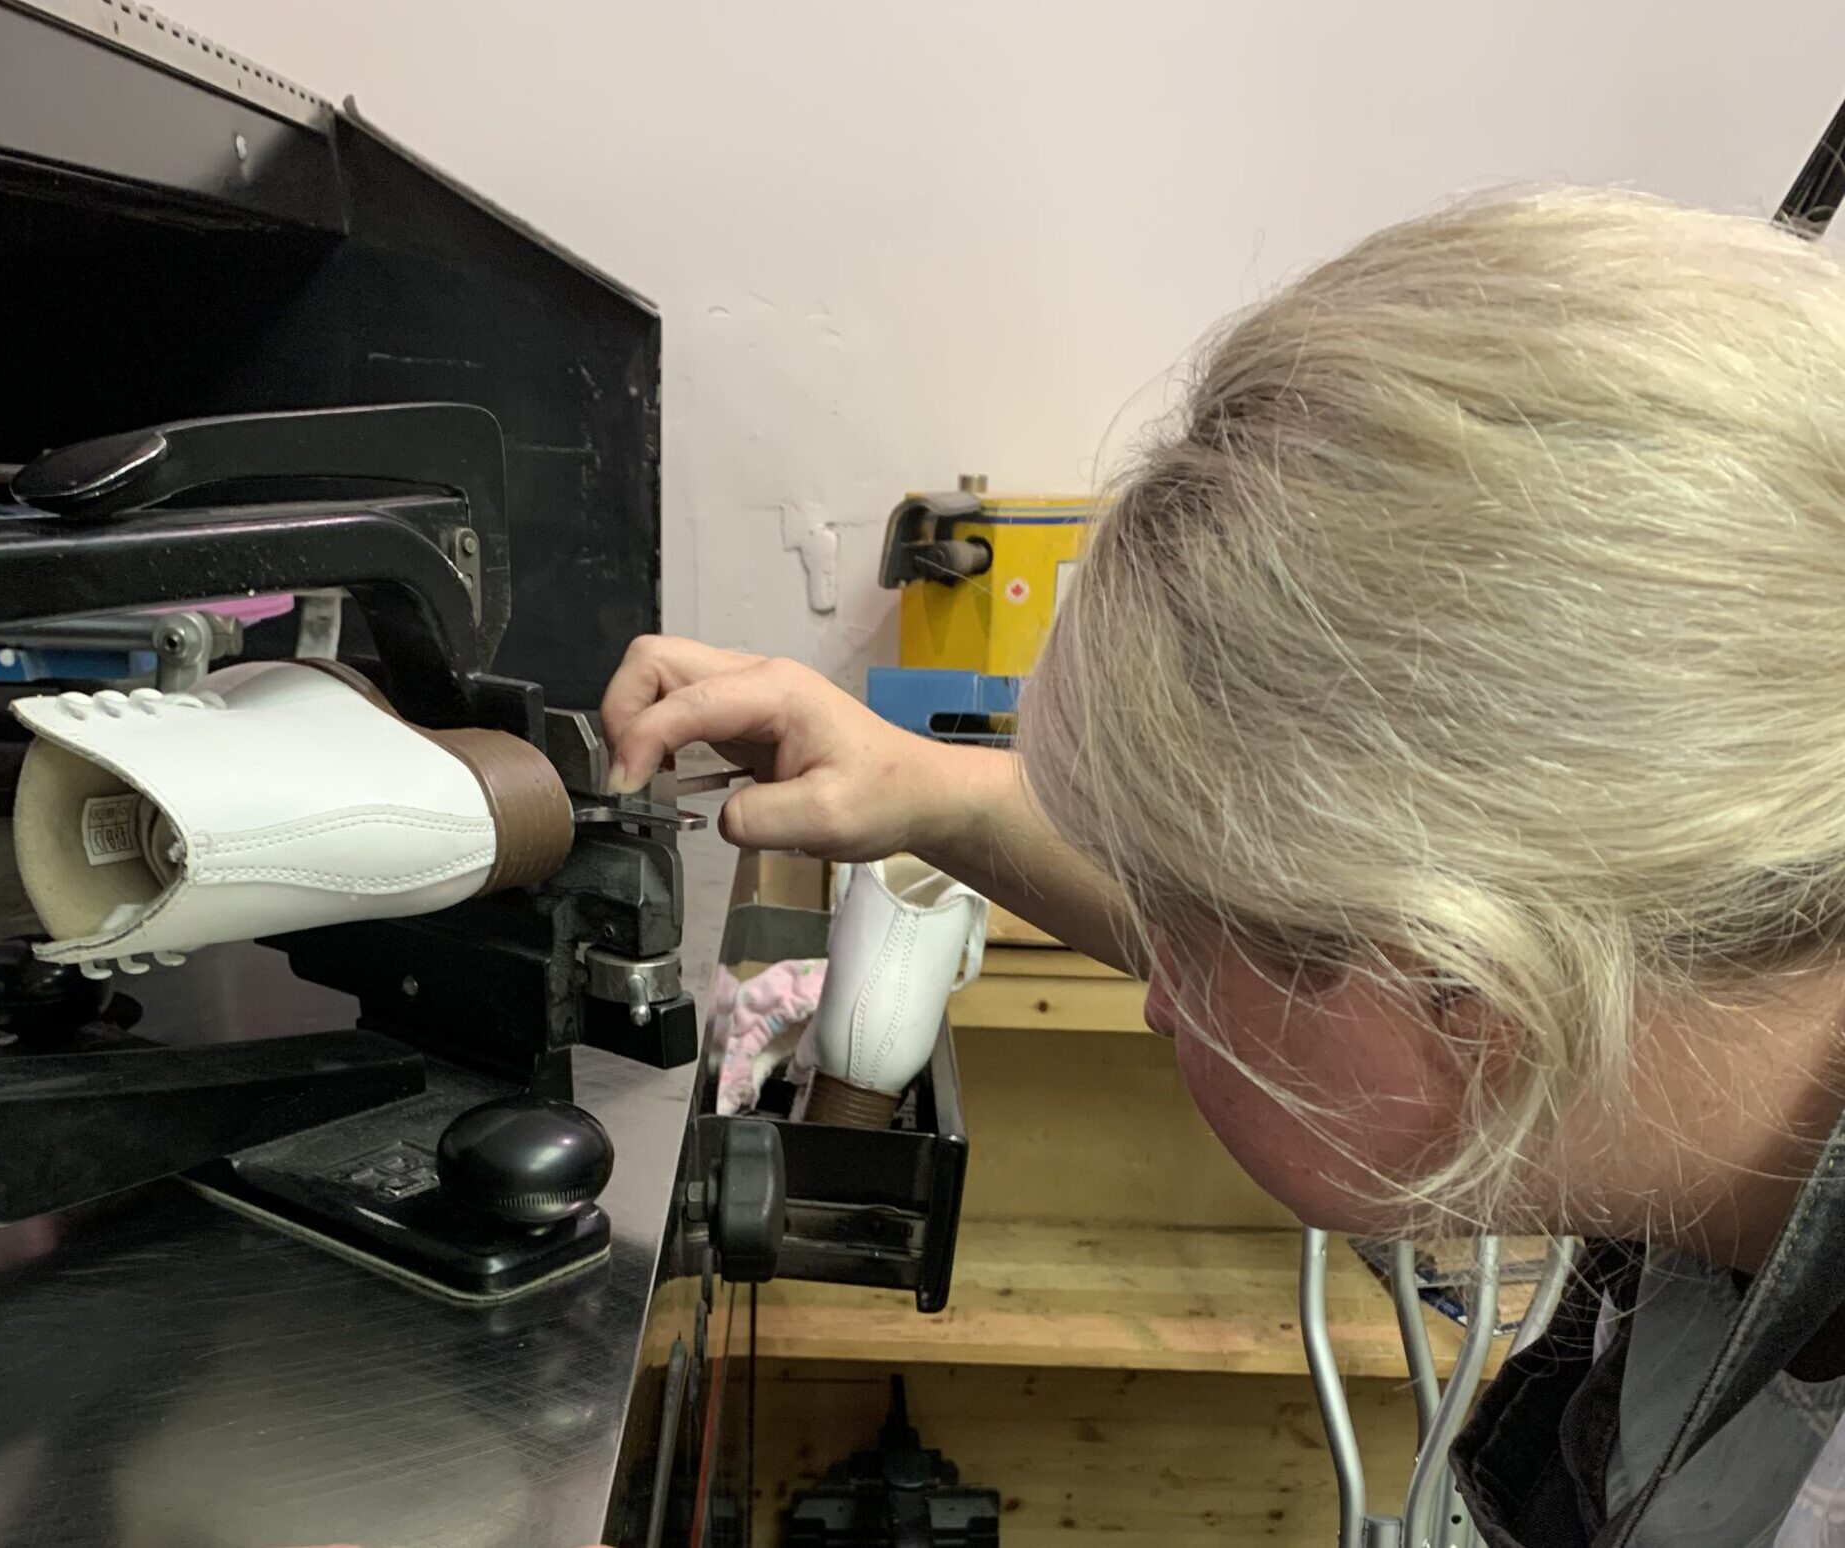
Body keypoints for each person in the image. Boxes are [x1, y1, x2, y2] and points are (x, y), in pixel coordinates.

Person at [601, 188, 1845, 1547]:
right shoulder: (1707, 1034)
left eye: (1188, 928)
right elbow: (1316, 1002)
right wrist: (922, 789)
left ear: (1474, 965)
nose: (1152, 984)